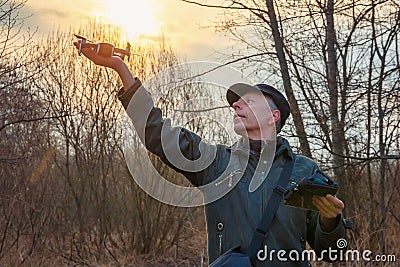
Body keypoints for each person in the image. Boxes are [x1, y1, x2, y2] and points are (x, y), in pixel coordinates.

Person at [74, 41, 349, 266]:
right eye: (236, 103)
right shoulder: (216, 163)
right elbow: (157, 134)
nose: (237, 106)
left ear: (273, 116)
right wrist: (121, 69)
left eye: (249, 101)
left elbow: (333, 253)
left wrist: (330, 221)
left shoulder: (305, 171)